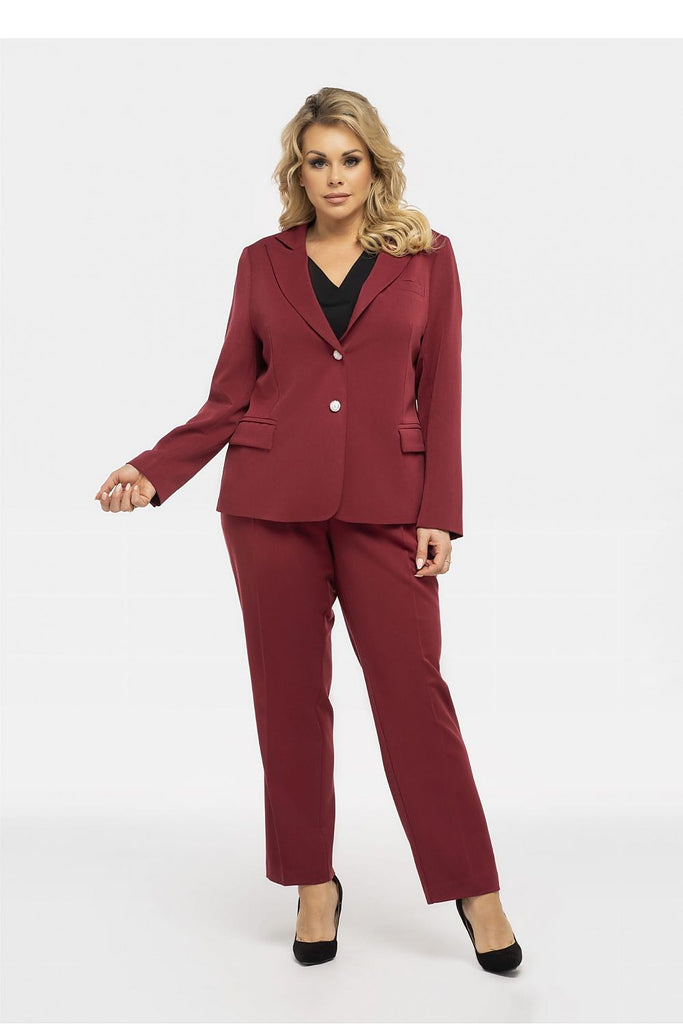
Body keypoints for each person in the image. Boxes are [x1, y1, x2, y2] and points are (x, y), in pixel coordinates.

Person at [94, 86, 522, 973]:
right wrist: (155, 468)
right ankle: (311, 883)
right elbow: (229, 395)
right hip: (267, 507)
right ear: (298, 171)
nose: (334, 177)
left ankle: (474, 890)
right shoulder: (262, 262)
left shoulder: (427, 257)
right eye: (317, 161)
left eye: (349, 159)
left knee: (413, 699)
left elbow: (440, 389)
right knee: (286, 703)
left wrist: (439, 512)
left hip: (388, 508)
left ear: (375, 165)